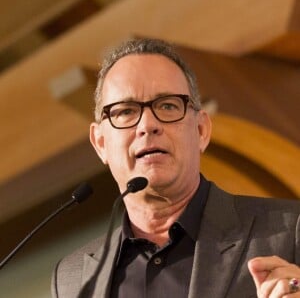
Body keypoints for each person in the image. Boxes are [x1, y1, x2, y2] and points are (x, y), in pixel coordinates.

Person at [52, 38, 300, 298]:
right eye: (125, 111)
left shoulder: (290, 230)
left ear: (201, 131)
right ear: (100, 143)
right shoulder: (71, 278)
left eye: (167, 105)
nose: (147, 125)